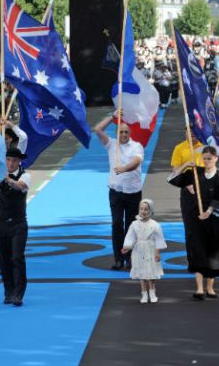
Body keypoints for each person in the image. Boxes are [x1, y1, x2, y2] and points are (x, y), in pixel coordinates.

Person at [168, 146, 219, 300]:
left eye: (210, 158)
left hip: (214, 220)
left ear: (216, 158)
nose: (207, 160)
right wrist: (185, 166)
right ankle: (199, 288)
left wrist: (208, 212)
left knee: (213, 251)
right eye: (204, 158)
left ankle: (210, 287)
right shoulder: (195, 173)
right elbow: (172, 179)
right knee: (197, 250)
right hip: (196, 220)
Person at [94, 111, 144, 270]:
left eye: (126, 132)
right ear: (117, 133)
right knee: (116, 224)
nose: (123, 134)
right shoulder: (111, 144)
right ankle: (118, 259)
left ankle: (130, 258)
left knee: (131, 225)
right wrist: (112, 115)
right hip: (116, 191)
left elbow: (136, 163)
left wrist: (123, 169)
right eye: (121, 132)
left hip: (133, 192)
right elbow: (97, 129)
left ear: (130, 133)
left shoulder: (137, 146)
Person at [0, 147, 32, 306]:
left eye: (14, 160)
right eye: (8, 159)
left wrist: (7, 179)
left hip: (17, 224)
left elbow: (20, 186)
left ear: (19, 161)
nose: (11, 163)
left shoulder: (25, 176)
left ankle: (19, 293)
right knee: (3, 259)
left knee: (16, 257)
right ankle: (8, 291)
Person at [121, 199, 168, 304]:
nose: (143, 211)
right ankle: (144, 293)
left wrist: (157, 252)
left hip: (150, 249)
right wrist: (127, 247)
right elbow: (131, 236)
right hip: (139, 250)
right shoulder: (134, 224)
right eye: (141, 209)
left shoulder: (155, 225)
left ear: (150, 210)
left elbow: (159, 239)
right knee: (142, 272)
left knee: (151, 272)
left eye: (146, 209)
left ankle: (152, 292)